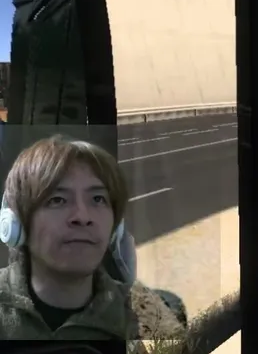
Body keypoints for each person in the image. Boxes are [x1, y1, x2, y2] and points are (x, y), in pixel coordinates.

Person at [0, 135, 186, 340]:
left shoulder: (152, 321)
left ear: (115, 228)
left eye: (98, 199)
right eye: (58, 200)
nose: (82, 217)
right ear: (17, 223)